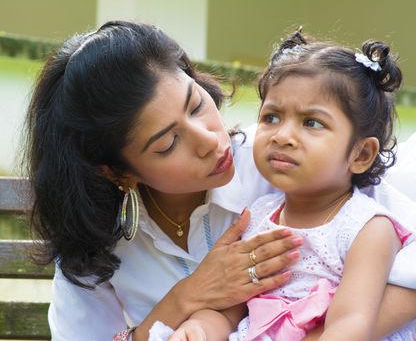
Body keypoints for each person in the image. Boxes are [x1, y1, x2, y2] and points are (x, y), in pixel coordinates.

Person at [22, 21, 416, 341]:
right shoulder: (95, 243)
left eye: (196, 105)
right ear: (118, 171)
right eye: (169, 143)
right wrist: (185, 299)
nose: (212, 140)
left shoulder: (289, 163)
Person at [163, 31, 416, 340]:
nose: (282, 136)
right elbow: (231, 308)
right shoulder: (258, 215)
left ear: (361, 154)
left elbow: (350, 323)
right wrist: (200, 327)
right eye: (271, 117)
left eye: (311, 122)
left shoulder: (367, 227)